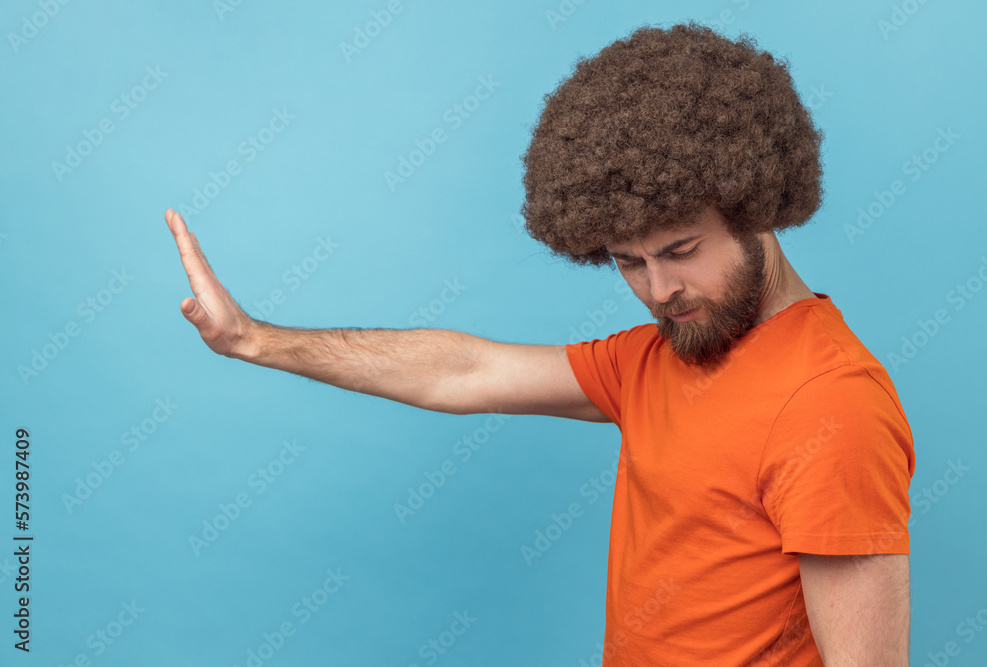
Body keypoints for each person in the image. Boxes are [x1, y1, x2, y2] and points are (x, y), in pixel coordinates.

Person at [165, 21, 913, 666]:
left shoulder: (830, 404)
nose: (658, 290)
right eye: (629, 262)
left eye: (681, 249)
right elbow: (464, 371)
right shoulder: (658, 355)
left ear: (756, 205)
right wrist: (256, 340)